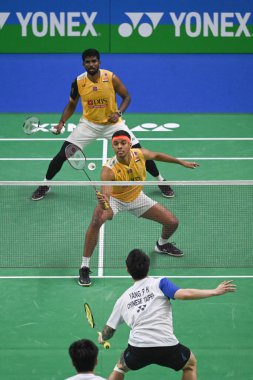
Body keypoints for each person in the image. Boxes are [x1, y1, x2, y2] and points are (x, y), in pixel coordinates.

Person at [32, 48, 173, 201]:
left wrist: (119, 113)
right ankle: (45, 184)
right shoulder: (78, 82)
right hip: (89, 124)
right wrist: (62, 122)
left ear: (99, 62)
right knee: (62, 155)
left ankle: (161, 181)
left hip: (113, 124)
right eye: (88, 62)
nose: (91, 64)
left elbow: (126, 97)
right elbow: (72, 104)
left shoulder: (111, 77)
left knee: (139, 152)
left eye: (94, 61)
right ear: (83, 64)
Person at [79, 129, 199, 286]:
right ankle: (84, 266)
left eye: (123, 143)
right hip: (115, 199)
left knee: (172, 222)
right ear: (112, 147)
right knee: (96, 220)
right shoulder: (108, 171)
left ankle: (161, 245)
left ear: (130, 145)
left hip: (136, 197)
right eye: (115, 144)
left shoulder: (139, 154)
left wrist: (180, 162)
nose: (119, 147)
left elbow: (157, 156)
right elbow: (107, 202)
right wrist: (103, 204)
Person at [98, 249, 236, 380]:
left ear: (127, 270)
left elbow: (109, 330)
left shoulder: (122, 300)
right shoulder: (160, 283)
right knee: (190, 365)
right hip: (166, 345)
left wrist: (102, 338)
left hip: (138, 347)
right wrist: (214, 291)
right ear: (148, 266)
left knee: (120, 368)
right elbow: (184, 294)